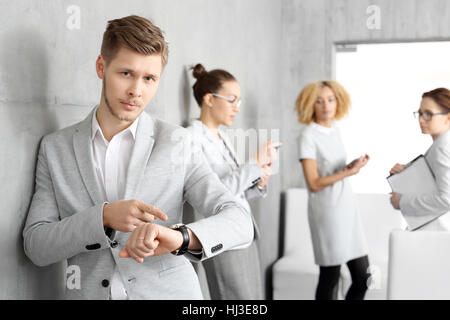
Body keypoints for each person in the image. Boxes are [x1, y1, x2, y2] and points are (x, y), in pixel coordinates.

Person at [22, 15, 254, 300]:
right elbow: (36, 245)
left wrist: (180, 238)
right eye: (126, 73)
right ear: (101, 67)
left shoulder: (178, 142)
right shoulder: (55, 148)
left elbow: (239, 220)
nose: (136, 90)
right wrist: (103, 218)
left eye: (149, 78)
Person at [186, 64, 277, 299]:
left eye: (239, 101)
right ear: (209, 99)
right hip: (222, 235)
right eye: (231, 100)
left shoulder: (223, 137)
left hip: (244, 232)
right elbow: (211, 194)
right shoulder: (191, 137)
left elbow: (236, 191)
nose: (237, 108)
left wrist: (259, 181)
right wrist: (253, 165)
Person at [296, 80, 371, 300]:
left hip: (346, 207)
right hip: (327, 212)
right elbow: (314, 182)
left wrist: (350, 167)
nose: (326, 105)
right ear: (311, 105)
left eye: (330, 99)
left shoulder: (334, 130)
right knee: (330, 277)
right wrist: (347, 173)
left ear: (338, 101)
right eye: (318, 101)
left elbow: (332, 170)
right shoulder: (308, 136)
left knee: (364, 277)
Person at [389, 88, 450, 230]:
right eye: (420, 113)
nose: (421, 119)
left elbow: (447, 199)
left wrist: (402, 201)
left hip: (440, 233)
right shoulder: (442, 145)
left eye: (428, 114)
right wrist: (409, 171)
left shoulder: (442, 148)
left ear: (448, 117)